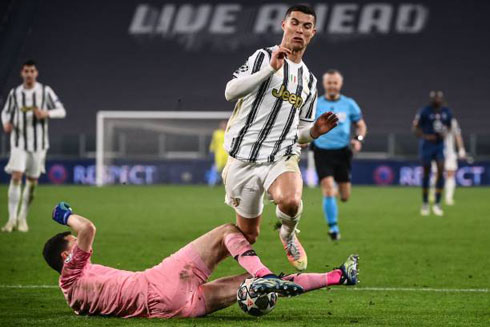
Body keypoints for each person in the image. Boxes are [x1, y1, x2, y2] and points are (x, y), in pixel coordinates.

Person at [43, 202, 359, 319]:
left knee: (251, 287)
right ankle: (263, 273)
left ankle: (338, 276)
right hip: (159, 282)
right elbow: (88, 228)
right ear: (65, 256)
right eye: (73, 245)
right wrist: (65, 216)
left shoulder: (73, 297)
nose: (81, 247)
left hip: (175, 310)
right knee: (227, 231)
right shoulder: (72, 272)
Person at [223, 4, 339, 271]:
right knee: (249, 235)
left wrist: (315, 132)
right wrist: (269, 70)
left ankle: (287, 234)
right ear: (284, 25)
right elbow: (230, 92)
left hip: (281, 155)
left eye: (306, 26)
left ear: (313, 33)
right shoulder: (263, 56)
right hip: (243, 158)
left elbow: (300, 135)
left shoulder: (309, 81)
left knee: (290, 200)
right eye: (295, 23)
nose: (300, 29)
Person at [1, 60, 66, 232]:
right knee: (16, 176)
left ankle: (23, 218)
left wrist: (46, 113)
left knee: (32, 181)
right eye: (26, 71)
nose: (29, 74)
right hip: (19, 143)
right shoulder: (15, 93)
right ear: (22, 73)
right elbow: (6, 112)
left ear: (36, 73)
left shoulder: (45, 91)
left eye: (32, 71)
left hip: (38, 145)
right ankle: (11, 220)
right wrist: (6, 122)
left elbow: (61, 110)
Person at [311, 70, 367, 241]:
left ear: (340, 84)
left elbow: (361, 125)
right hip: (322, 151)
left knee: (344, 196)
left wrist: (358, 139)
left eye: (335, 82)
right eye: (329, 83)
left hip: (343, 152)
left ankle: (334, 196)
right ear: (324, 84)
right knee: (328, 189)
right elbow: (305, 124)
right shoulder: (316, 104)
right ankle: (333, 228)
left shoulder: (349, 104)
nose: (332, 86)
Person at [413, 91, 452, 216]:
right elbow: (415, 128)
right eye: (435, 98)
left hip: (440, 145)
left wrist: (445, 133)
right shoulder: (424, 111)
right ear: (431, 99)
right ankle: (425, 203)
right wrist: (426, 136)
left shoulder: (447, 112)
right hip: (427, 146)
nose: (437, 100)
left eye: (439, 98)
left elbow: (450, 126)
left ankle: (437, 203)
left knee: (441, 171)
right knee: (426, 172)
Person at [429, 118, 467, 205]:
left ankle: (448, 198)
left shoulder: (452, 121)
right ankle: (434, 193)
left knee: (450, 173)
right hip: (437, 151)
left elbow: (457, 135)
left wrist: (461, 149)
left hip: (450, 152)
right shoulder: (433, 121)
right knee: (437, 174)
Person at [208, 120, 228, 186]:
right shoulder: (216, 133)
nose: (223, 126)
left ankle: (225, 183)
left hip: (227, 154)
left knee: (227, 170)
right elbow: (213, 143)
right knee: (217, 168)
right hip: (219, 154)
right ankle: (213, 182)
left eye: (225, 125)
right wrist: (211, 150)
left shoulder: (229, 132)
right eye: (222, 125)